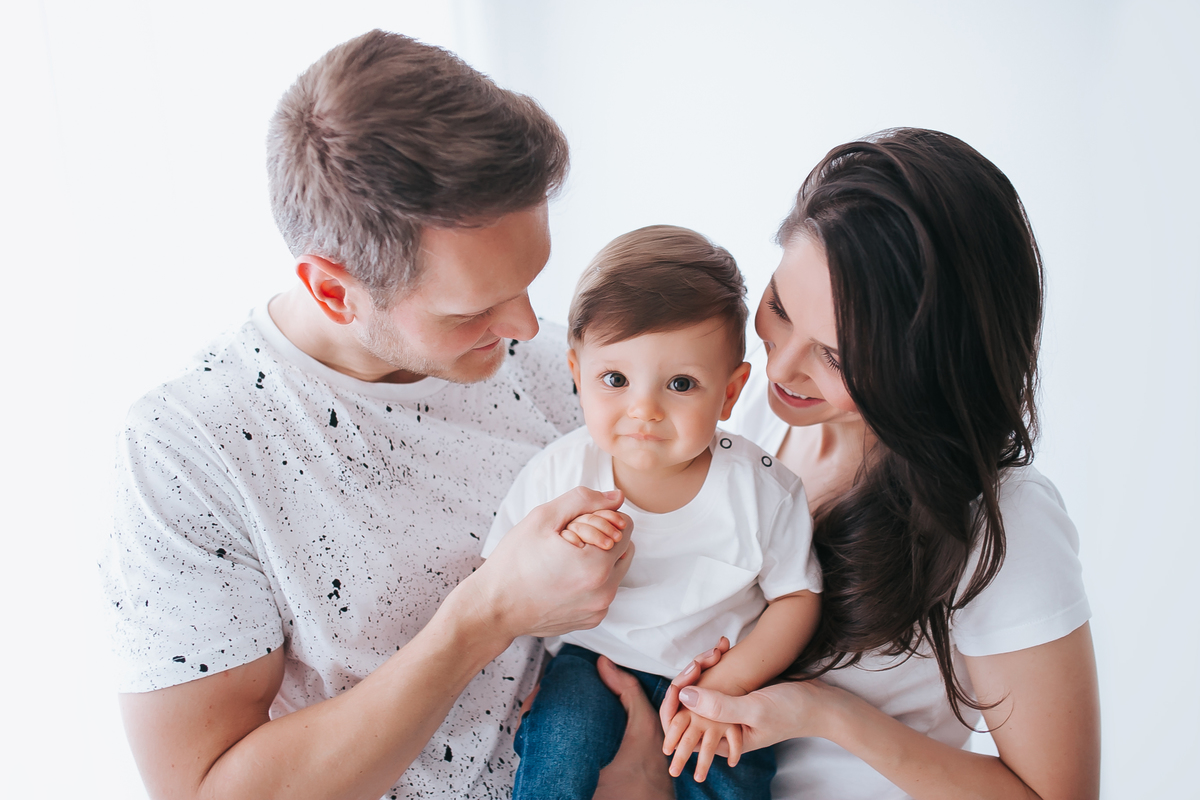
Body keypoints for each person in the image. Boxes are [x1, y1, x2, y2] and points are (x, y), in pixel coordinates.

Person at [100, 30, 645, 800]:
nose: (526, 326)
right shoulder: (191, 451)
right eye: (473, 309)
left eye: (530, 282)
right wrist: (484, 615)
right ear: (333, 290)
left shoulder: (565, 373)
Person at [652, 128, 1100, 800]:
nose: (781, 367)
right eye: (780, 307)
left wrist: (824, 713)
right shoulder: (760, 425)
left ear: (928, 367)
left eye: (836, 357)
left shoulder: (1003, 521)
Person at [481, 226, 823, 799]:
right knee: (557, 750)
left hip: (717, 674)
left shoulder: (763, 489)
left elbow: (798, 598)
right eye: (615, 379)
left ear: (730, 392)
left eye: (681, 384)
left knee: (728, 773)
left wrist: (730, 681)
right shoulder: (561, 473)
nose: (644, 409)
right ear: (577, 373)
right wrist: (560, 552)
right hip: (592, 662)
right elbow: (500, 580)